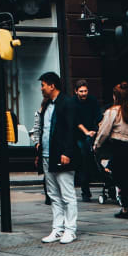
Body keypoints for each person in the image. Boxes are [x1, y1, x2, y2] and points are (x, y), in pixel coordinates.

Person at [36, 72, 79, 244]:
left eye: (43, 85)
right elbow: (44, 129)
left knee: (67, 194)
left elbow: (71, 130)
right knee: (53, 194)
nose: (41, 88)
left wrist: (67, 152)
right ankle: (58, 228)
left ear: (52, 85)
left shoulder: (67, 103)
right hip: (47, 154)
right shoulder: (47, 104)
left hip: (61, 155)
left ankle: (70, 229)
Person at [94, 83, 128, 217]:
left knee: (117, 177)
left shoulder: (112, 112)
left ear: (115, 97)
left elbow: (104, 131)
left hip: (116, 146)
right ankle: (125, 209)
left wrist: (97, 144)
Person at [72, 79, 104, 202]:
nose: (84, 93)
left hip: (92, 133)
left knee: (94, 158)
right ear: (76, 91)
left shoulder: (92, 101)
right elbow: (76, 121)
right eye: (81, 91)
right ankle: (85, 191)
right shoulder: (73, 102)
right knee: (84, 159)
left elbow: (98, 117)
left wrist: (99, 129)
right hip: (79, 135)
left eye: (85, 91)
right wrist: (86, 132)